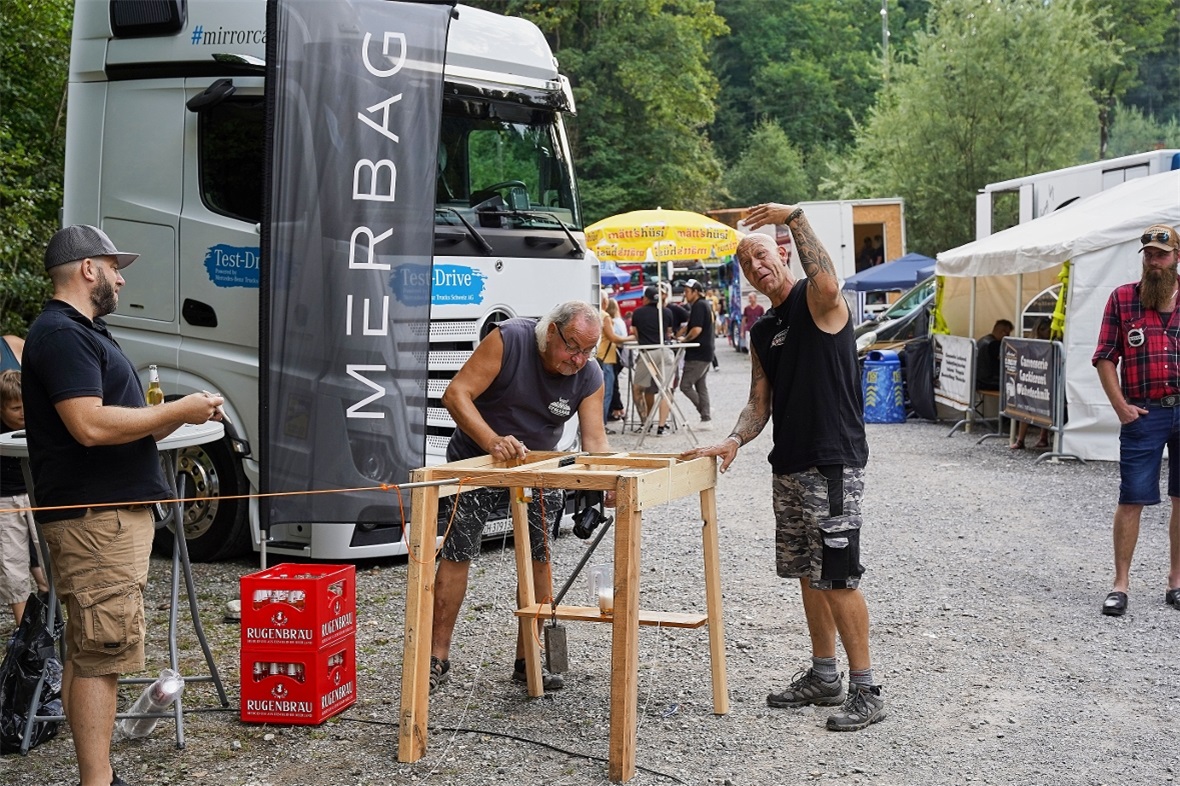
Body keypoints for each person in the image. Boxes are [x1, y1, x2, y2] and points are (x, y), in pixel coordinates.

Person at [22, 224, 224, 786]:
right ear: (87, 269)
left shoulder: (85, 331)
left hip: (107, 518)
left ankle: (98, 777)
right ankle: (98, 780)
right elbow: (87, 424)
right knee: (101, 652)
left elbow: (119, 423)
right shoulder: (62, 333)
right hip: (94, 520)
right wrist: (177, 410)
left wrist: (178, 416)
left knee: (96, 648)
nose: (120, 276)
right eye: (114, 266)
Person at [683, 202, 885, 732]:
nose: (755, 266)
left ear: (784, 253)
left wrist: (794, 216)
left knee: (838, 576)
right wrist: (731, 440)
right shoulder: (763, 328)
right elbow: (759, 402)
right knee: (807, 575)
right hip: (788, 466)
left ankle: (867, 690)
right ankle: (824, 675)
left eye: (761, 254)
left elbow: (828, 279)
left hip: (831, 462)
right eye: (746, 262)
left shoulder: (817, 302)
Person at [431, 301, 611, 693]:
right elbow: (456, 394)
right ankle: (436, 657)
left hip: (537, 467)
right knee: (457, 552)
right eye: (573, 348)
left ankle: (527, 658)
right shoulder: (509, 339)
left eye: (587, 351)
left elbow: (595, 439)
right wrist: (492, 441)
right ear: (551, 333)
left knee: (539, 560)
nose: (578, 359)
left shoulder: (589, 374)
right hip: (475, 460)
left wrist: (607, 481)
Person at [1092, 224, 1180, 617]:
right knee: (1132, 498)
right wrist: (1120, 406)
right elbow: (1105, 356)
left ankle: (1176, 581)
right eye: (1148, 255)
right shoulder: (1123, 299)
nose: (1154, 261)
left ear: (1176, 257)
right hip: (1144, 412)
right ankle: (1120, 584)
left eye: (1161, 254)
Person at [0, 369, 47, 627]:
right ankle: (24, 630)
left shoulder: (40, 422)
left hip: (37, 494)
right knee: (11, 562)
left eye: (27, 406)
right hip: (4, 501)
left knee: (48, 551)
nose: (23, 413)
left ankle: (55, 615)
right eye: (16, 408)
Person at [629, 286, 674, 435]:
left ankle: (645, 422)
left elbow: (635, 334)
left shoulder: (638, 313)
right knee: (665, 389)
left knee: (638, 389)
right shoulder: (666, 312)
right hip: (664, 353)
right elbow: (669, 333)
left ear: (646, 298)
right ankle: (661, 426)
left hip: (647, 355)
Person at [679, 279, 714, 430]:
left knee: (685, 385)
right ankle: (705, 418)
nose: (685, 294)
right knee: (701, 386)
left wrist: (684, 340)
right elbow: (692, 326)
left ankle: (705, 413)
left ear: (695, 292)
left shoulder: (699, 305)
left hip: (698, 353)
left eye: (687, 291)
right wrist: (681, 332)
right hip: (706, 351)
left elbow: (696, 329)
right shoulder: (703, 305)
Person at [1011, 318, 1052, 450]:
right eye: (1046, 330)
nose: (1048, 333)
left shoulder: (1049, 344)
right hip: (1033, 378)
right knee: (1027, 406)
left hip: (1041, 379)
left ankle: (1038, 437)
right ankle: (1022, 439)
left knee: (1043, 406)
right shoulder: (1033, 344)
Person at [597, 293, 628, 434]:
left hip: (599, 357)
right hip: (606, 359)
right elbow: (613, 337)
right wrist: (631, 338)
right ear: (604, 301)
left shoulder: (595, 313)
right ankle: (601, 426)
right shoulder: (605, 316)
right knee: (606, 394)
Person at [605, 298, 628, 423]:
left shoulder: (610, 320)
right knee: (613, 385)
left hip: (611, 355)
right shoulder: (620, 321)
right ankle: (617, 408)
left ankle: (616, 409)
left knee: (611, 386)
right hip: (617, 355)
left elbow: (613, 337)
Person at [975, 319, 1014, 392]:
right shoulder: (994, 345)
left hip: (978, 380)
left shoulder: (982, 340)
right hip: (987, 381)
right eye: (1008, 334)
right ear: (1003, 332)